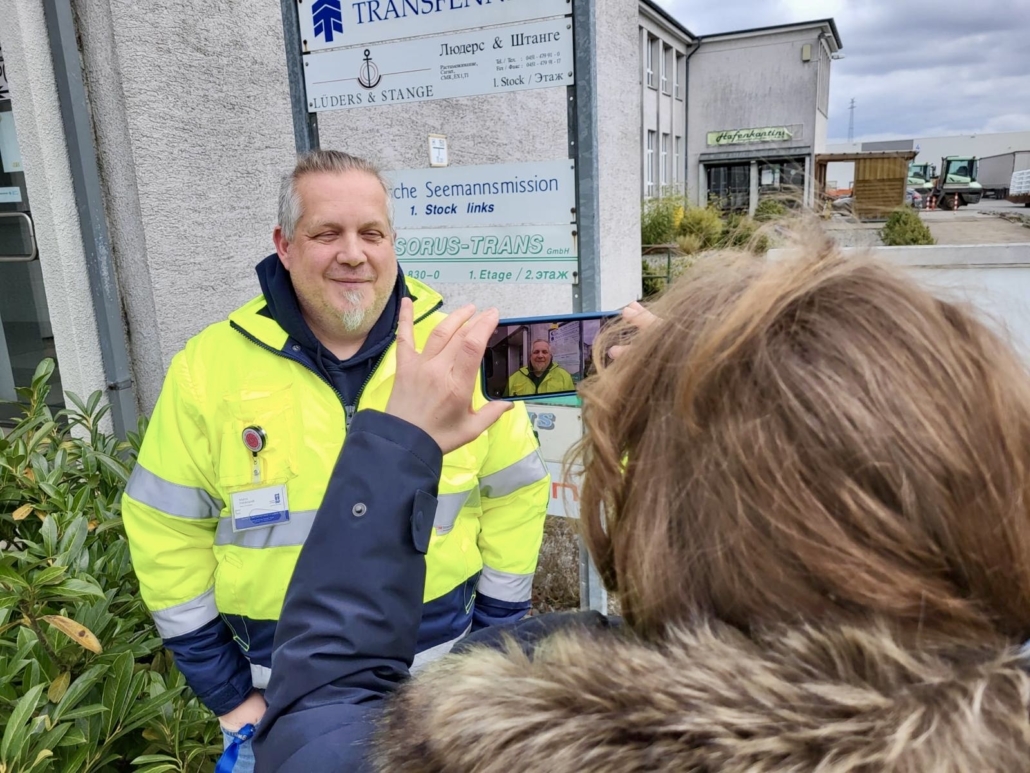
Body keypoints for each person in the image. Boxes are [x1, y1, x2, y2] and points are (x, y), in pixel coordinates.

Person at [256, 233, 1030, 771]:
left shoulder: (482, 745)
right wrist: (722, 386)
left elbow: (321, 720)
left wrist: (397, 441)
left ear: (669, 521)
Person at [120, 150, 549, 771]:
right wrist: (226, 690)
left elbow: (515, 492)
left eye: (371, 233)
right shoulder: (209, 369)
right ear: (285, 245)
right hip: (279, 704)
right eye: (327, 233)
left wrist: (493, 642)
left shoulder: (451, 351)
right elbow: (164, 528)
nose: (354, 253)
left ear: (392, 242)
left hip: (449, 690)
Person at [506, 339, 576, 396]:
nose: (540, 356)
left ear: (550, 356)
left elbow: (572, 405)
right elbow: (504, 406)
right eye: (536, 352)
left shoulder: (564, 377)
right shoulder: (514, 378)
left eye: (544, 352)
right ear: (530, 356)